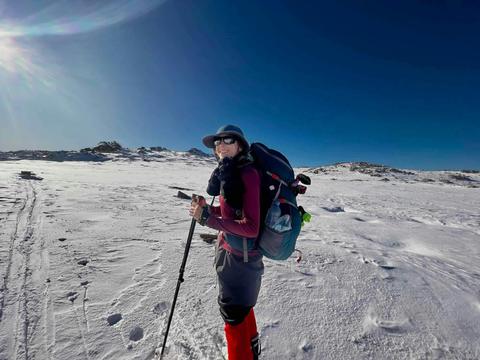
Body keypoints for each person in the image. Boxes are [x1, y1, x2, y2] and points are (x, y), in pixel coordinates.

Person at [189, 125, 263, 360]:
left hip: (241, 261)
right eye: (216, 142)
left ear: (240, 145)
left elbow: (251, 227)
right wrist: (207, 210)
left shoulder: (248, 175)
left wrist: (209, 220)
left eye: (227, 140)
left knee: (233, 315)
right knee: (241, 311)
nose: (220, 145)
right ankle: (251, 352)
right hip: (229, 252)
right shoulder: (230, 173)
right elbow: (231, 210)